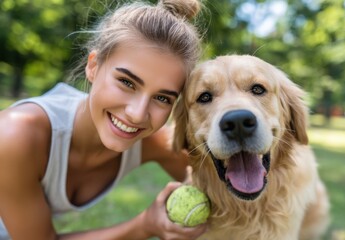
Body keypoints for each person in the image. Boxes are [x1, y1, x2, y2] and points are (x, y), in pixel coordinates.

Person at [0, 0, 206, 239]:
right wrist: (145, 225)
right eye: (127, 83)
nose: (137, 114)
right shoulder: (15, 134)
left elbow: (219, 184)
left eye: (162, 98)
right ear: (93, 66)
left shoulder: (153, 142)